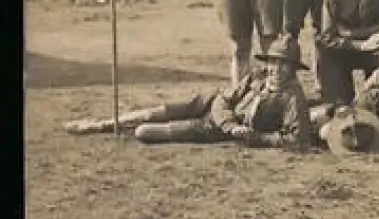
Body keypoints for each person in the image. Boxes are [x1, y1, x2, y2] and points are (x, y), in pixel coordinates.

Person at [65, 41, 314, 150]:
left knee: (145, 132)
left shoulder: (292, 98)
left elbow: (296, 140)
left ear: (292, 69)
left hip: (214, 129)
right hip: (211, 107)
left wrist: (255, 137)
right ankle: (100, 124)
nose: (276, 69)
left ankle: (121, 128)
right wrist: (228, 122)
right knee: (157, 112)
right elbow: (223, 98)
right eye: (273, 62)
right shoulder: (256, 77)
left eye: (284, 65)